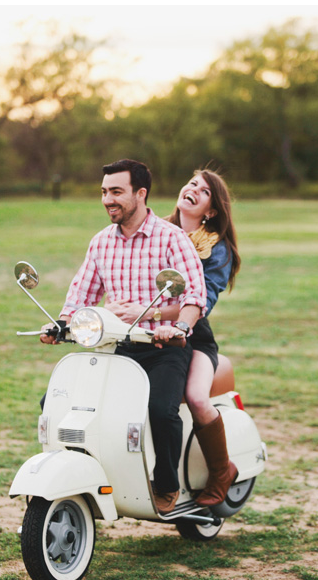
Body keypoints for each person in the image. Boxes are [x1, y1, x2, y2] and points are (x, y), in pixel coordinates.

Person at [40, 159, 207, 514]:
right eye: (104, 192)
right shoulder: (101, 243)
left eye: (116, 192)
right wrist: (61, 325)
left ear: (140, 194)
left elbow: (194, 297)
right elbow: (80, 296)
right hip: (115, 349)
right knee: (55, 402)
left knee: (161, 411)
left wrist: (176, 327)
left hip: (163, 348)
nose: (107, 199)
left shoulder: (171, 238)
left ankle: (165, 482)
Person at [105, 169, 240, 506]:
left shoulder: (216, 250)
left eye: (205, 191)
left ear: (210, 210)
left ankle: (222, 470)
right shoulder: (155, 232)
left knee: (195, 397)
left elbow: (200, 302)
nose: (194, 189)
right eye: (192, 182)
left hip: (192, 337)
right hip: (146, 335)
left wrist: (146, 312)